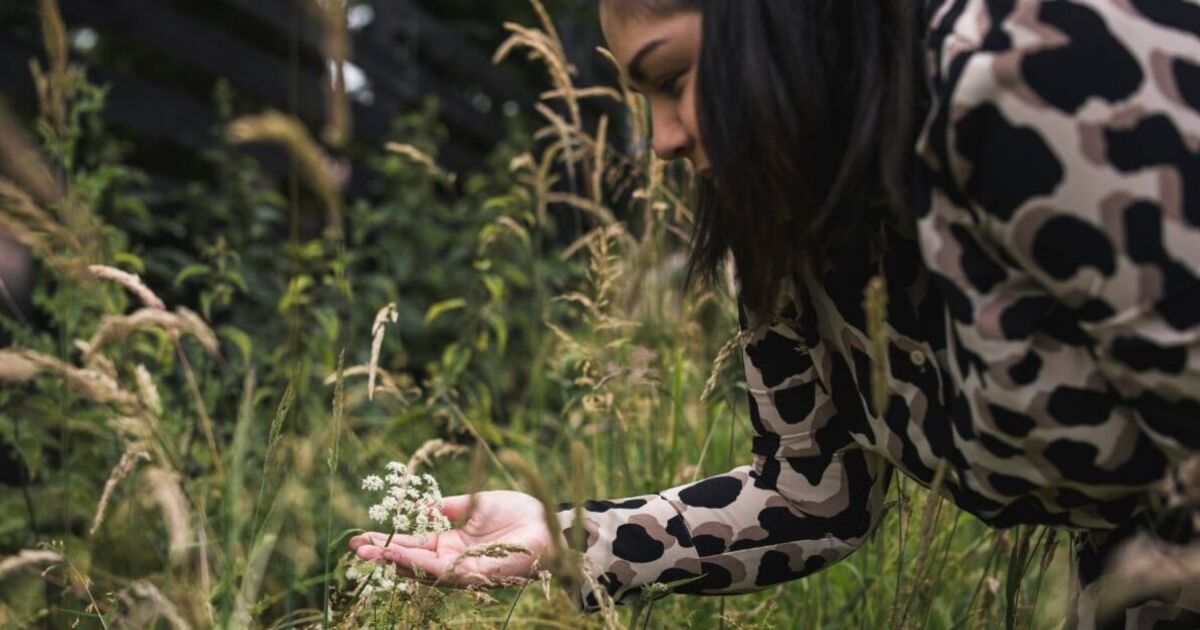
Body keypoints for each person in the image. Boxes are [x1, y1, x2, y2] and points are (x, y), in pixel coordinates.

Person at [352, 0, 1200, 625]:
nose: (663, 141)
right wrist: (569, 537)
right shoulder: (789, 218)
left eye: (674, 78)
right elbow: (812, 492)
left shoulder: (1030, 78)